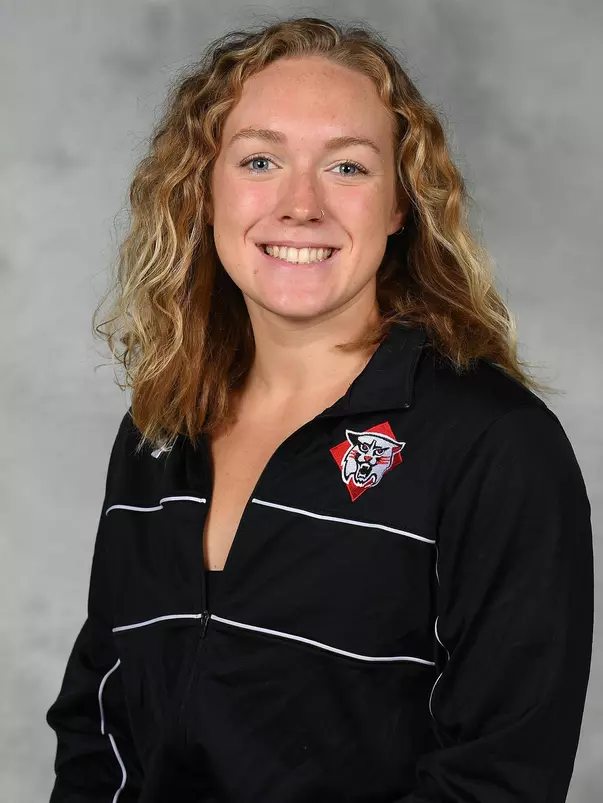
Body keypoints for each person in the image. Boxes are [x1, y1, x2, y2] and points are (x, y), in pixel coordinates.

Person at [46, 15, 594, 803]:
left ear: (401, 204)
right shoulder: (160, 426)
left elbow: (497, 777)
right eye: (260, 160)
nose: (299, 204)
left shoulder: (494, 443)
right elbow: (97, 726)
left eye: (346, 167)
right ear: (204, 190)